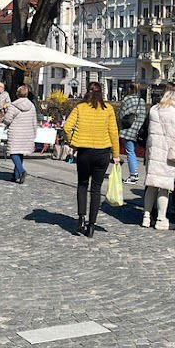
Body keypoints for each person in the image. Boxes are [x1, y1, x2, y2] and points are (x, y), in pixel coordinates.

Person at [63, 82, 120, 239]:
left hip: (84, 152)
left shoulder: (80, 108)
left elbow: (67, 127)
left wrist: (72, 143)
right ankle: (92, 225)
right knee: (96, 189)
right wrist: (116, 154)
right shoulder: (108, 109)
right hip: (102, 152)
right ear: (101, 93)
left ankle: (81, 218)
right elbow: (113, 133)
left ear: (86, 92)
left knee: (82, 184)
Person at [143, 85, 175, 231]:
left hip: (154, 151)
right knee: (164, 187)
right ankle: (161, 219)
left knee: (151, 184)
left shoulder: (154, 110)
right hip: (168, 153)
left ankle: (146, 216)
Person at [2, 85, 38, 185]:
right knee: (20, 153)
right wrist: (34, 133)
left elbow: (8, 119)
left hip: (16, 132)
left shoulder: (13, 106)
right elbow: (34, 121)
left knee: (13, 152)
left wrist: (4, 120)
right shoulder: (32, 106)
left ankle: (21, 171)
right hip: (27, 133)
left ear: (17, 94)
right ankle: (15, 175)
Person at [118, 82, 147, 184]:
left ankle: (133, 175)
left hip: (128, 130)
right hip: (138, 130)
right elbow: (144, 116)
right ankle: (134, 173)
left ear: (129, 89)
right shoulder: (142, 101)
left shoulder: (127, 99)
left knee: (130, 152)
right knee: (133, 151)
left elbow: (121, 114)